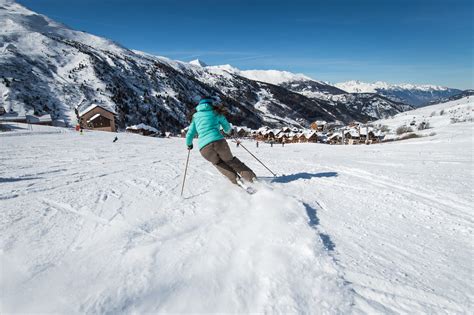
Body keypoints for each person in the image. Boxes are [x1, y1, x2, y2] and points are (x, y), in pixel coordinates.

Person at [186, 97, 256, 185]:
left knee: (218, 163)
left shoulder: (195, 117)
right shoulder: (216, 112)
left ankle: (236, 179)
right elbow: (226, 127)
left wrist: (189, 144)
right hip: (219, 142)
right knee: (230, 160)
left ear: (199, 106)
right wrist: (229, 131)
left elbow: (190, 134)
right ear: (211, 105)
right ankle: (251, 178)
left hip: (204, 148)